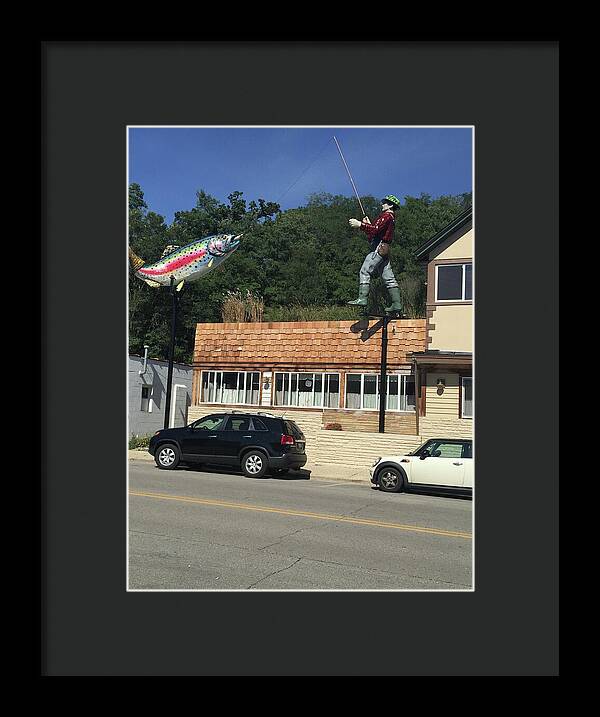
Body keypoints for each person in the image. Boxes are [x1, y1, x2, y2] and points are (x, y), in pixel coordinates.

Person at [347, 194, 403, 314]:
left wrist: (360, 225)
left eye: (385, 202)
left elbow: (375, 230)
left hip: (379, 248)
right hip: (385, 249)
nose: (382, 204)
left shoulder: (386, 216)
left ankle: (362, 298)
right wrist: (368, 225)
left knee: (365, 271)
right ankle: (397, 304)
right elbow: (374, 232)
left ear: (391, 205)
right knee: (389, 278)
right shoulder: (390, 218)